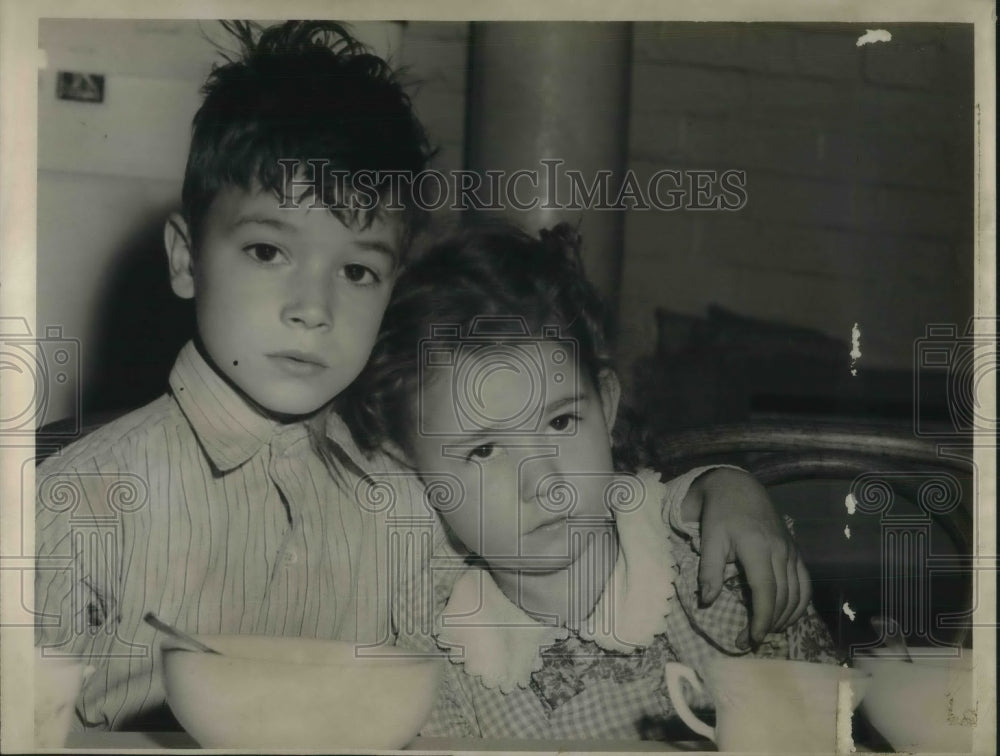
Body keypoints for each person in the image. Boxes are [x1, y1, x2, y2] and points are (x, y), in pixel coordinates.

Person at [33, 21, 439, 731]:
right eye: (266, 251)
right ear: (187, 260)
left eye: (357, 270)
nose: (314, 309)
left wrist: (699, 483)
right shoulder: (78, 499)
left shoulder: (411, 506)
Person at [340, 221, 840, 739]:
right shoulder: (435, 652)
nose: (544, 482)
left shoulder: (718, 566)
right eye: (484, 449)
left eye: (560, 422)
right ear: (411, 469)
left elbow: (832, 724)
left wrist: (732, 485)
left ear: (604, 405)